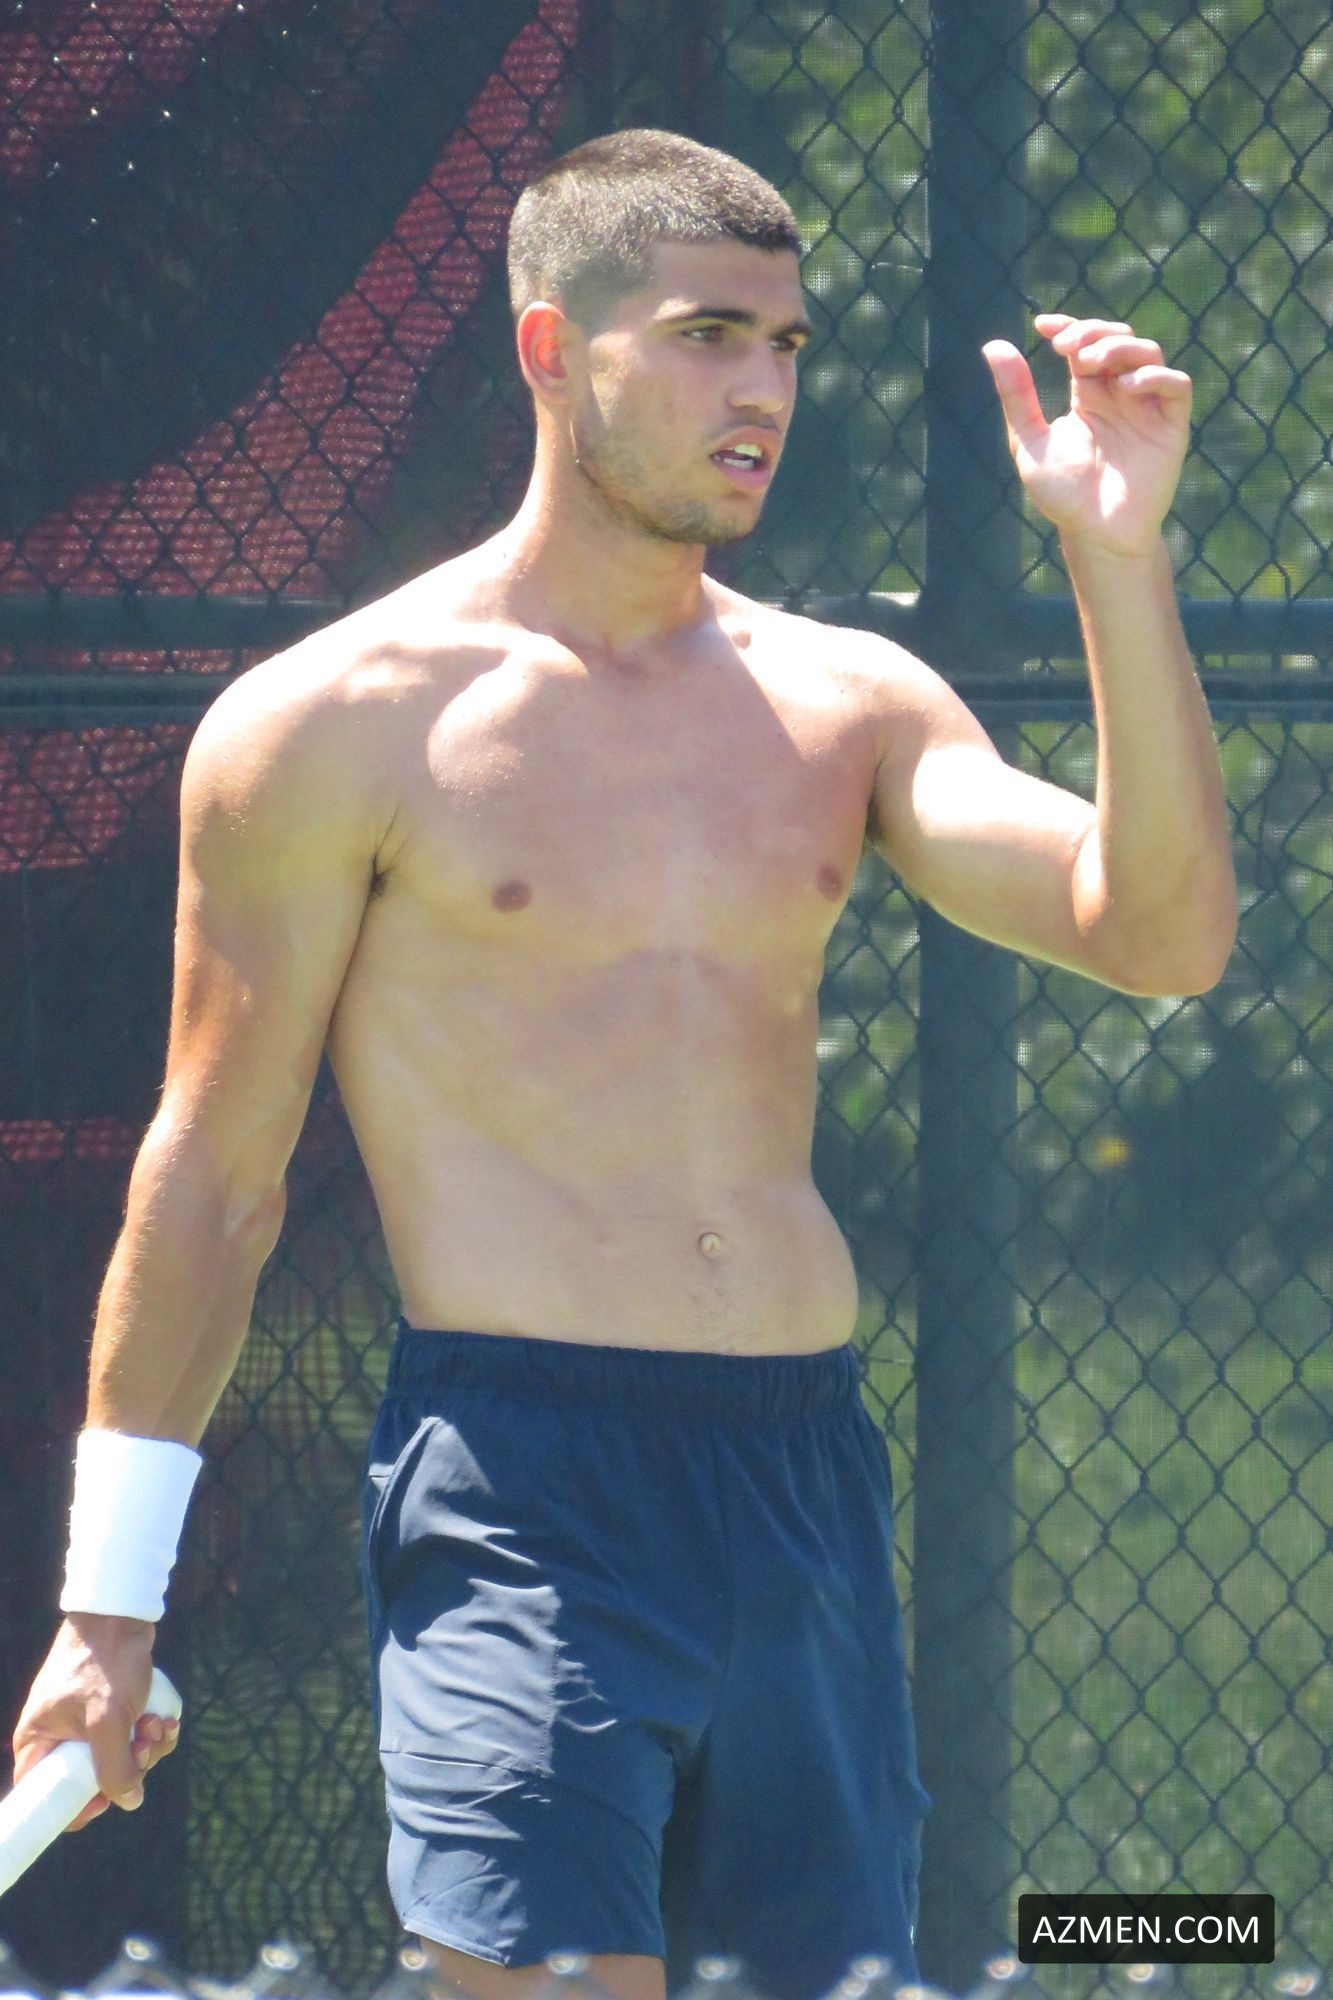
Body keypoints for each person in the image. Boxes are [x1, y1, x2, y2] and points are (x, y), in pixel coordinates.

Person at [11, 129, 1236, 2000]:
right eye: (704, 337)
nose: (761, 393)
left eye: (787, 346)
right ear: (547, 350)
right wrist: (109, 1605)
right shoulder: (329, 725)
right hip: (524, 1487)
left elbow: (1155, 935)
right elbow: (214, 1176)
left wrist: (1116, 560)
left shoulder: (850, 702)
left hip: (801, 1488)